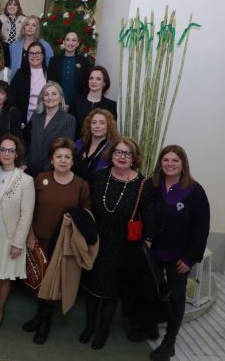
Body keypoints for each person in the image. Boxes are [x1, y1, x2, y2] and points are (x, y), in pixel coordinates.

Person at [80, 137, 154, 350]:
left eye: (127, 153)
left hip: (124, 244)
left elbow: (149, 216)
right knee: (91, 284)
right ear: (111, 155)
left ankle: (103, 329)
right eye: (118, 152)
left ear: (134, 158)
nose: (122, 157)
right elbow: (86, 205)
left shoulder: (142, 184)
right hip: (96, 240)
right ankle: (89, 326)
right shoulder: (99, 177)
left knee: (112, 289)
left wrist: (147, 243)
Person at [22, 137, 91, 344]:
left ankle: (45, 323)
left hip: (63, 243)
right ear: (52, 160)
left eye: (67, 157)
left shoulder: (81, 185)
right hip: (39, 238)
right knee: (40, 280)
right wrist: (30, 234)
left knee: (54, 284)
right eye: (58, 157)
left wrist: (75, 218)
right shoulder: (41, 178)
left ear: (72, 160)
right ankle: (39, 316)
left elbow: (87, 215)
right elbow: (30, 209)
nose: (63, 160)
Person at [146, 145, 210, 361]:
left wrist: (190, 258)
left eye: (175, 160)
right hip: (154, 251)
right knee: (151, 291)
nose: (170, 164)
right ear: (160, 164)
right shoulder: (152, 186)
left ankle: (169, 341)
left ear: (183, 164)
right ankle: (151, 326)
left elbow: (201, 228)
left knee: (176, 297)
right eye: (166, 160)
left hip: (179, 256)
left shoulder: (195, 191)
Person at [0, 135, 34, 331]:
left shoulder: (25, 180)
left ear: (17, 153)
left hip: (10, 235)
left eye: (10, 150)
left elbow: (27, 214)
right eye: (3, 150)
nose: (6, 153)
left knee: (4, 276)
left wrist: (18, 243)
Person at [25, 81, 76, 177]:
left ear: (61, 98)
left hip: (52, 172)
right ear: (42, 98)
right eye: (46, 94)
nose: (50, 97)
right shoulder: (36, 115)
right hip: (30, 170)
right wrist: (25, 164)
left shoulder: (69, 120)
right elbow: (28, 141)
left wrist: (48, 170)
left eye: (54, 94)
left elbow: (65, 149)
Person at [69, 66, 118, 137]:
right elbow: (71, 127)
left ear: (104, 83)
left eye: (98, 79)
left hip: (101, 146)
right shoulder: (76, 102)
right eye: (91, 78)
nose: (93, 81)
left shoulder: (112, 105)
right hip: (78, 145)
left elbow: (111, 131)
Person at [47, 31, 91, 107]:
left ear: (78, 43)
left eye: (74, 40)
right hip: (56, 104)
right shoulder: (54, 60)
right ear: (63, 42)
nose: (70, 43)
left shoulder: (84, 62)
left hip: (77, 105)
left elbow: (87, 85)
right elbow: (50, 82)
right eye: (68, 40)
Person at [74, 109, 119, 183]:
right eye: (94, 123)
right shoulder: (79, 143)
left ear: (109, 126)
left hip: (99, 189)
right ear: (89, 125)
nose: (97, 126)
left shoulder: (113, 148)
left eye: (102, 123)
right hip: (76, 187)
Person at [9, 41, 48, 126]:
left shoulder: (50, 73)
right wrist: (17, 119)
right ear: (27, 56)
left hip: (45, 119)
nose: (34, 56)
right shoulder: (20, 73)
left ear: (43, 55)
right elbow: (12, 97)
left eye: (37, 53)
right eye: (31, 53)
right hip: (23, 121)